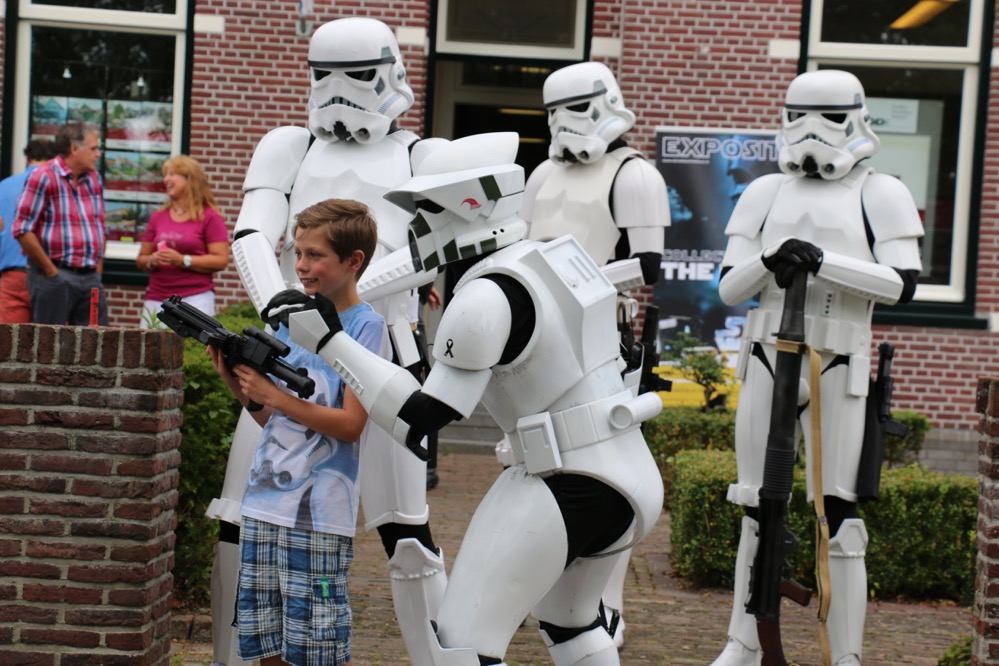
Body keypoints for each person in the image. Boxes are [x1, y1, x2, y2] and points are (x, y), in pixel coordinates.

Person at [279, 132, 665, 665]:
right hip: (628, 471)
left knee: (461, 642)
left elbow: (421, 418)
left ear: (469, 205)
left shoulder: (485, 295)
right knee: (571, 624)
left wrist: (329, 340)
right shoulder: (558, 259)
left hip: (565, 477)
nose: (416, 227)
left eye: (426, 209)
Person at [214, 17, 445, 666]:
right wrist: (278, 309)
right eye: (325, 76)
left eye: (356, 75)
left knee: (405, 531)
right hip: (291, 344)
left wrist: (333, 301)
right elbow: (251, 234)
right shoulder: (289, 145)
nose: (339, 92)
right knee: (242, 517)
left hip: (382, 350)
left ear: (391, 72)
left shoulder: (419, 155)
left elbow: (435, 252)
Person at [709, 70, 923, 666]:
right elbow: (729, 287)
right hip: (766, 354)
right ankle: (742, 642)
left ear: (855, 117)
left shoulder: (881, 193)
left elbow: (903, 284)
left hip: (840, 357)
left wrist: (825, 262)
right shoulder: (764, 192)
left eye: (827, 118)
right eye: (797, 116)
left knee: (839, 513)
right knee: (756, 506)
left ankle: (845, 655)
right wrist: (770, 263)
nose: (810, 132)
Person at [520, 61, 670, 648]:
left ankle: (607, 603)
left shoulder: (633, 175)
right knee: (539, 463)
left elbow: (648, 264)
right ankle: (552, 589)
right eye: (554, 112)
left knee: (609, 469)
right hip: (540, 340)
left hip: (606, 339)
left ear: (607, 104)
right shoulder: (540, 175)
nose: (563, 123)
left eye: (575, 109)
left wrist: (567, 282)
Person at [209, 198, 384, 666]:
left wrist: (276, 395)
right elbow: (279, 421)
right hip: (264, 507)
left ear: (354, 262)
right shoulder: (295, 320)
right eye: (298, 254)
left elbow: (349, 426)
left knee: (314, 651)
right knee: (265, 646)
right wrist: (238, 382)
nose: (301, 266)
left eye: (314, 255)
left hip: (319, 519)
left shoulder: (367, 327)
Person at [12, 121, 109, 326]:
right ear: (74, 149)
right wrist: (51, 273)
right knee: (49, 347)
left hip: (90, 277)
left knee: (96, 347)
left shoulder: (94, 179)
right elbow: (22, 228)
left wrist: (97, 272)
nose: (98, 154)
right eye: (93, 148)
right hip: (55, 275)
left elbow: (101, 227)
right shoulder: (43, 177)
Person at [136, 155, 229, 329]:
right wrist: (151, 260)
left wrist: (182, 260)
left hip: (195, 300)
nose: (166, 179)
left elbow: (221, 260)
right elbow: (141, 259)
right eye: (165, 174)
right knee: (149, 353)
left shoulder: (209, 217)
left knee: (191, 352)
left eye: (172, 174)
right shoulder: (158, 217)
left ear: (190, 179)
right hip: (157, 300)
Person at [0, 139, 54, 324]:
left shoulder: (3, 186)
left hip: (12, 275)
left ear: (27, 159)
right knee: (50, 344)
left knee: (8, 344)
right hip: (48, 273)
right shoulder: (54, 186)